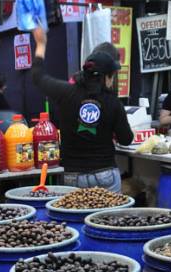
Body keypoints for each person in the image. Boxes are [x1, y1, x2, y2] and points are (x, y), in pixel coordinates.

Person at [31, 26, 133, 189]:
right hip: (105, 174)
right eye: (112, 76)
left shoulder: (65, 92)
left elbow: (37, 77)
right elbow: (126, 139)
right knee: (109, 208)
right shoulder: (113, 102)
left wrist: (41, 44)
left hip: (72, 176)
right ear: (106, 76)